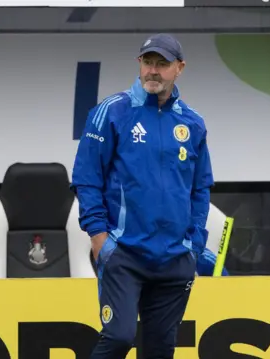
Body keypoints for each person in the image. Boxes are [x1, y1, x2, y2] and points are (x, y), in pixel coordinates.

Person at [71, 33, 214, 358]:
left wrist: (194, 244)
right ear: (139, 64)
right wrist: (99, 239)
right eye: (148, 62)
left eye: (162, 64)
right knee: (119, 338)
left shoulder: (193, 123)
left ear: (179, 67)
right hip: (124, 254)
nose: (153, 71)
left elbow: (200, 188)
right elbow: (86, 179)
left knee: (159, 350)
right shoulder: (111, 111)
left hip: (175, 258)